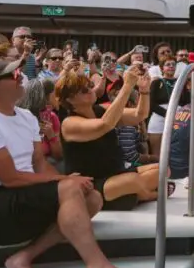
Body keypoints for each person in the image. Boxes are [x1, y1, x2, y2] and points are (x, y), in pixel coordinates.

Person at [0, 58, 141, 268]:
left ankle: (24, 257)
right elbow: (11, 178)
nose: (20, 77)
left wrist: (67, 181)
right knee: (70, 187)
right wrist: (64, 180)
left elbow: (39, 163)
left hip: (17, 196)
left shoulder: (25, 117)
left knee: (92, 198)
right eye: (12, 75)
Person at [58, 67, 166, 211]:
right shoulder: (69, 123)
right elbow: (105, 125)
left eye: (90, 86)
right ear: (69, 99)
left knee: (163, 170)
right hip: (92, 183)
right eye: (83, 90)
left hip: (116, 174)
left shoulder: (101, 110)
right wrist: (126, 86)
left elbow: (140, 115)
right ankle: (145, 194)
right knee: (132, 180)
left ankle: (134, 194)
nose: (90, 90)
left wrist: (144, 91)